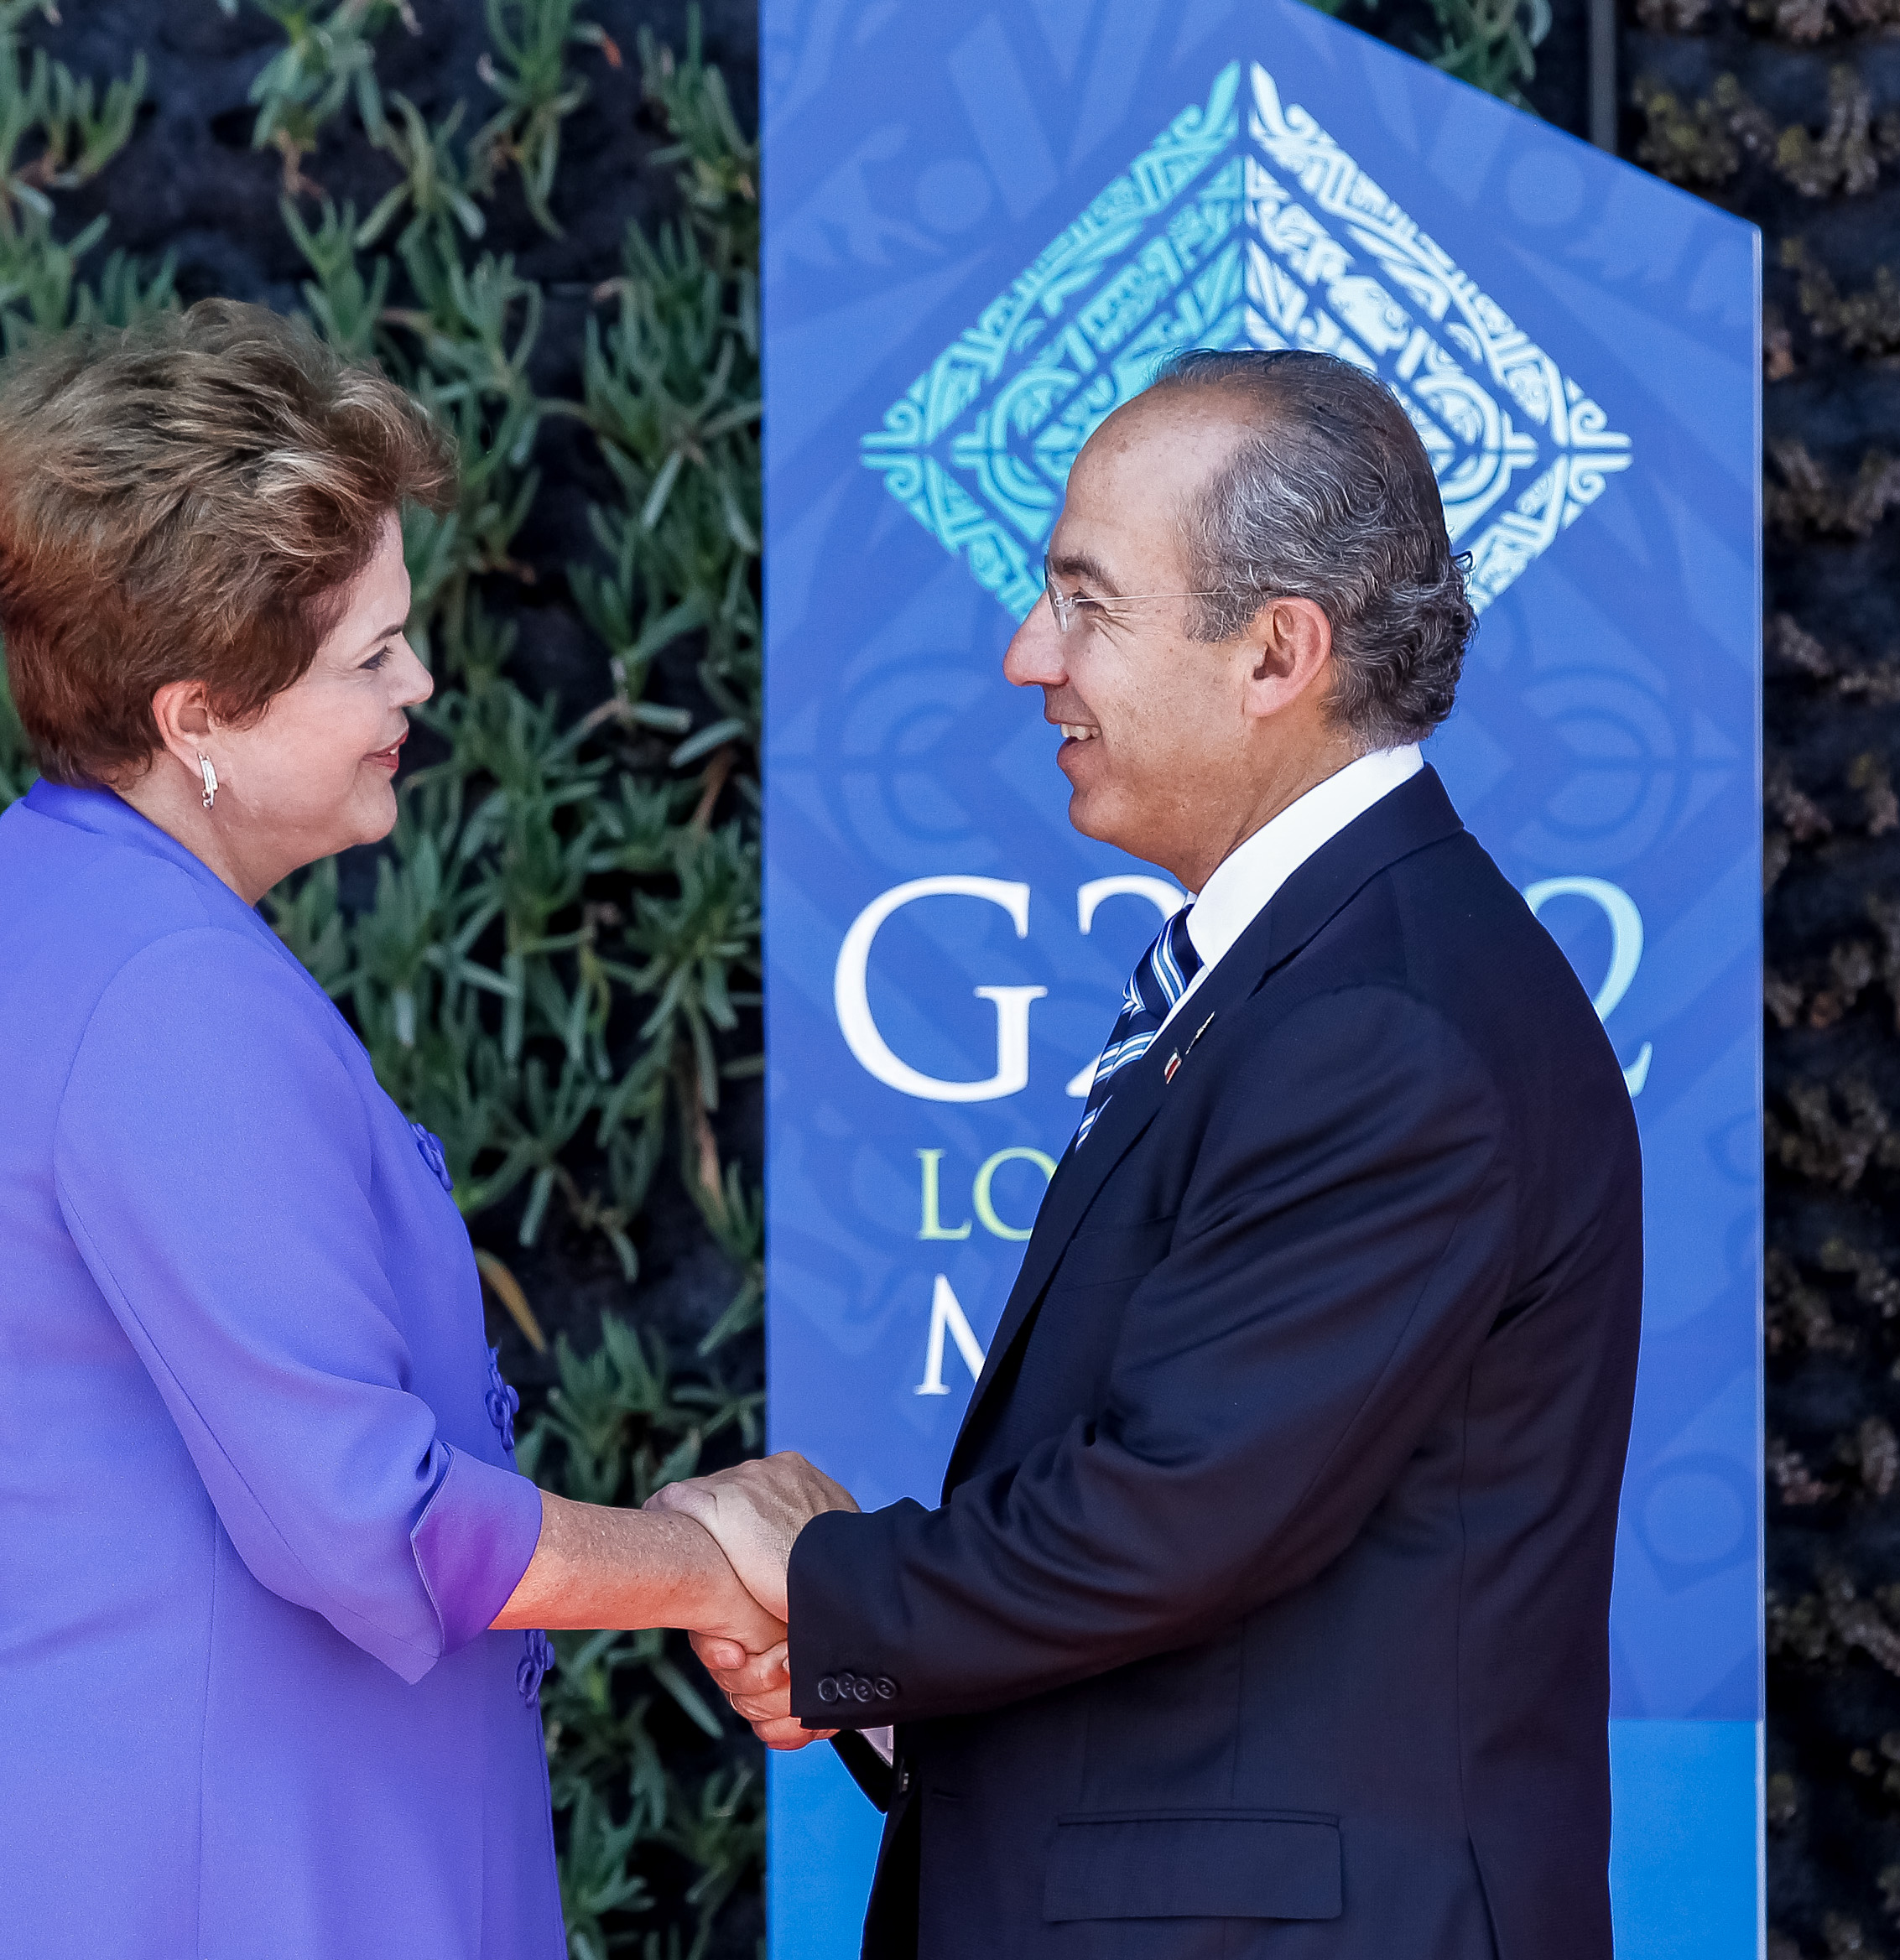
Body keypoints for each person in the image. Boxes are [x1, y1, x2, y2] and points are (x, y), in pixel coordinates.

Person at [0, 300, 780, 1960]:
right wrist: (702, 1559)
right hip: (193, 1880)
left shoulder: (29, 906)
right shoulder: (170, 986)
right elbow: (371, 1517)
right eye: (369, 653)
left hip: (76, 1852)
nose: (420, 681)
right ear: (198, 716)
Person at [659, 349, 1645, 1959]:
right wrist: (870, 1655)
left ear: (1276, 653)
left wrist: (818, 1583)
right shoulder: (1329, 974)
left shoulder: (1382, 1022)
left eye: (1086, 602)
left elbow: (1173, 1515)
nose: (1025, 653)